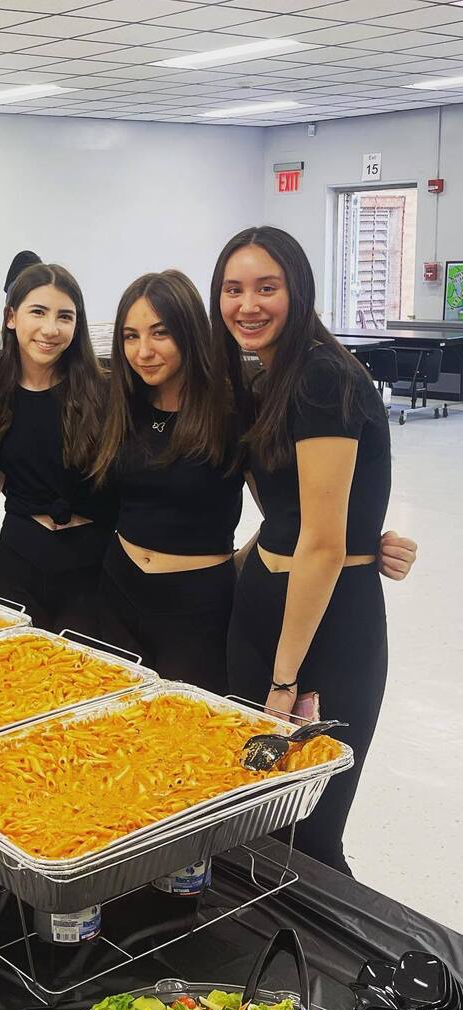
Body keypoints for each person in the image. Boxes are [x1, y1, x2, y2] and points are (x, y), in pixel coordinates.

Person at [214, 225, 406, 875]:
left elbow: (322, 546)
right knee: (259, 813)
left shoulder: (324, 376)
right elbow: (288, 517)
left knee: (313, 830)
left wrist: (284, 679)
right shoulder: (265, 379)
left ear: (299, 290)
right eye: (233, 289)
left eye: (267, 288)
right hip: (262, 610)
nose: (248, 304)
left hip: (326, 632)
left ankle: (353, 971)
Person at [92, 270, 246, 692]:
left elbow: (290, 515)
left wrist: (231, 568)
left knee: (186, 739)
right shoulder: (123, 404)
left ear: (189, 332)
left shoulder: (230, 411)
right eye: (129, 336)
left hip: (197, 605)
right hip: (118, 591)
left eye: (160, 333)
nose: (142, 352)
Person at [0, 263, 115, 632]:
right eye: (38, 312)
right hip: (18, 556)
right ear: (11, 317)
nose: (51, 329)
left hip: (91, 563)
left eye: (65, 316)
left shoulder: (106, 393)